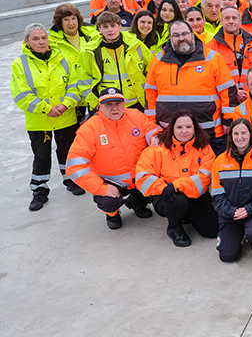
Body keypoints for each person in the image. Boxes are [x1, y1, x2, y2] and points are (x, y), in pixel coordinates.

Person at [12, 24, 86, 210]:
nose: (41, 42)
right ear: (27, 42)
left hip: (65, 116)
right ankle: (39, 189)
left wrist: (66, 104)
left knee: (67, 151)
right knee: (42, 155)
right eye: (35, 39)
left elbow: (75, 86)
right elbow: (21, 95)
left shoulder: (64, 59)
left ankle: (71, 180)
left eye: (43, 38)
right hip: (39, 121)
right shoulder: (20, 64)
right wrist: (46, 109)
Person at [67, 88, 158, 228]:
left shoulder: (136, 116)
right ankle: (112, 213)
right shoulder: (89, 129)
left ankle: (137, 202)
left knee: (159, 189)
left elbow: (152, 130)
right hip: (111, 182)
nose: (114, 108)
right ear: (99, 106)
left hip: (139, 176)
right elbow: (74, 167)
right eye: (108, 104)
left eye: (118, 103)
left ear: (124, 103)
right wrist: (101, 188)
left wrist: (156, 137)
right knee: (109, 201)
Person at [145, 21, 235, 154]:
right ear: (170, 38)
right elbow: (150, 94)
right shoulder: (158, 60)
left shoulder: (212, 58)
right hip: (170, 133)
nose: (181, 38)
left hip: (209, 131)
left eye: (185, 34)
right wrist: (152, 126)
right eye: (176, 35)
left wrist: (228, 119)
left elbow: (227, 90)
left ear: (192, 34)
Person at [136, 110, 219, 247]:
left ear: (195, 128)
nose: (184, 131)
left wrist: (176, 186)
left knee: (212, 230)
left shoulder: (204, 148)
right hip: (168, 195)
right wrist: (164, 188)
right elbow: (142, 176)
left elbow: (204, 178)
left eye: (188, 127)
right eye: (179, 127)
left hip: (194, 194)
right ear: (171, 129)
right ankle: (174, 227)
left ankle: (186, 214)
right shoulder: (157, 148)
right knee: (178, 202)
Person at [211, 118, 252, 262]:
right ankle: (236, 235)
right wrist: (231, 211)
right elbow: (217, 195)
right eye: (236, 134)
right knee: (227, 256)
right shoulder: (220, 161)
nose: (240, 137)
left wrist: (249, 209)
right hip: (230, 214)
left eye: (243, 133)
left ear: (251, 135)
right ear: (231, 136)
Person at [77, 12, 152, 110]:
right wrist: (94, 103)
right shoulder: (90, 52)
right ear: (99, 29)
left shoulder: (136, 45)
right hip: (107, 104)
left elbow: (152, 70)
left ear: (120, 27)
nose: (110, 29)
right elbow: (83, 81)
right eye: (105, 26)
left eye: (113, 26)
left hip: (137, 102)